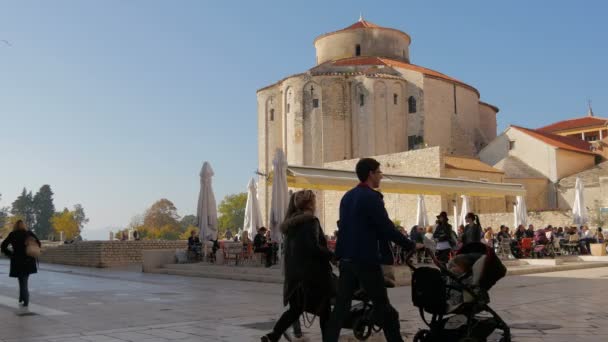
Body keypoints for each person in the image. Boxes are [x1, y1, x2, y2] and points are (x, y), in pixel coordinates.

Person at [326, 158, 422, 342]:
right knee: (383, 307)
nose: (381, 176)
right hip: (366, 261)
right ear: (370, 173)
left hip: (347, 260)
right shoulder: (372, 197)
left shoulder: (347, 197)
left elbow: (343, 229)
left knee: (340, 308)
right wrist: (410, 245)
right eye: (379, 172)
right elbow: (386, 228)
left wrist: (339, 255)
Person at [262, 190, 334, 342]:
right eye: (314, 201)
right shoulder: (310, 221)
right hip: (312, 277)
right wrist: (332, 255)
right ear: (310, 204)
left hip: (294, 278)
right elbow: (313, 248)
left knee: (295, 310)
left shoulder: (291, 224)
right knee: (325, 310)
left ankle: (273, 335)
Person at [1, 220, 41, 308]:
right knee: (24, 280)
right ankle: (22, 297)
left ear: (15, 226)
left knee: (22, 280)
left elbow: (3, 246)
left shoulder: (13, 234)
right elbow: (39, 243)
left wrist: (10, 254)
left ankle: (24, 299)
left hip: (17, 260)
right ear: (24, 225)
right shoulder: (29, 233)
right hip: (28, 260)